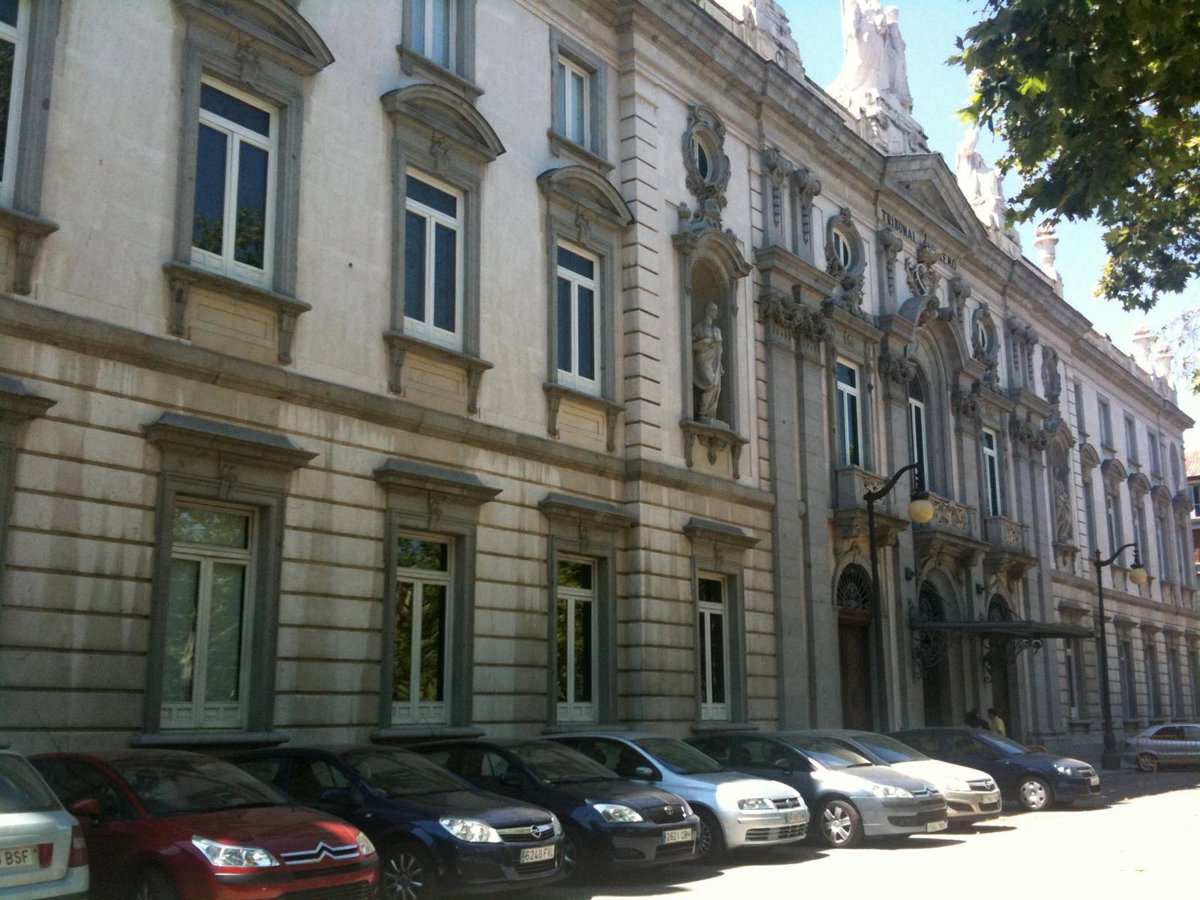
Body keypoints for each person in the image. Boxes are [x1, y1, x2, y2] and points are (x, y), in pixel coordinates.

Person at [692, 302, 724, 421]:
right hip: (702, 359)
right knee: (712, 383)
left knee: (716, 387)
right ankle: (701, 412)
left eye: (717, 310)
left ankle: (709, 414)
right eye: (714, 310)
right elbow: (691, 344)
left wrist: (720, 365)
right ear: (707, 311)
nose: (716, 313)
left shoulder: (717, 330)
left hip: (714, 362)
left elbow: (719, 349)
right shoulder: (699, 328)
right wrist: (704, 342)